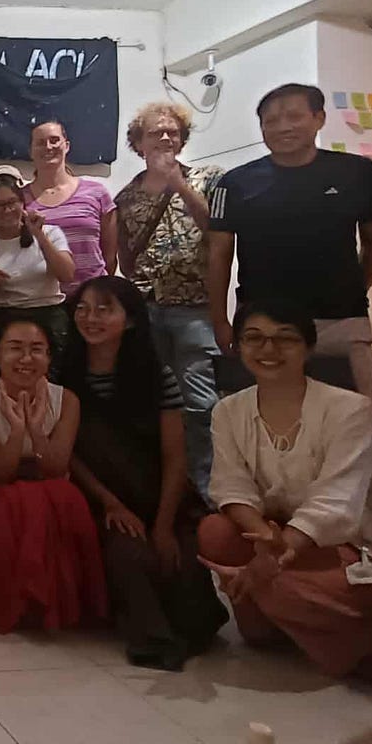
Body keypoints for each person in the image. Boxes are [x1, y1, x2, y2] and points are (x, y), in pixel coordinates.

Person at [199, 301, 372, 678]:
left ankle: (366, 639)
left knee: (271, 593)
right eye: (254, 338)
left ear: (308, 347)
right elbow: (231, 486)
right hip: (290, 544)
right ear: (239, 346)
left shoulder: (350, 410)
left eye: (285, 339)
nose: (268, 349)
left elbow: (336, 503)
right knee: (215, 532)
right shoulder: (228, 411)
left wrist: (278, 555)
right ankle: (322, 625)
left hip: (364, 549)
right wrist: (264, 539)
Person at [59, 277, 226, 670]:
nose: (91, 318)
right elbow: (70, 455)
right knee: (129, 550)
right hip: (100, 495)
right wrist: (111, 503)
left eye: (104, 309)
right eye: (83, 308)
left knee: (176, 560)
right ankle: (151, 640)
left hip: (158, 493)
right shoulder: (64, 375)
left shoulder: (157, 376)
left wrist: (165, 523)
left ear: (130, 320)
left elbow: (174, 456)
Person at [208, 84, 372, 399]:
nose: (283, 127)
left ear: (318, 118)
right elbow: (219, 255)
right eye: (271, 121)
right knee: (260, 423)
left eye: (294, 116)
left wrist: (354, 288)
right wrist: (220, 321)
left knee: (350, 423)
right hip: (262, 325)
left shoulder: (358, 172)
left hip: (340, 322)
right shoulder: (234, 183)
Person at [0, 314, 106, 634]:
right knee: (8, 503)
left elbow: (55, 468)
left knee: (62, 496)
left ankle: (61, 605)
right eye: (15, 348)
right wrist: (16, 430)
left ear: (49, 357)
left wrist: (37, 429)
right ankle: (20, 606)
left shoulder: (66, 400)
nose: (26, 359)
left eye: (37, 349)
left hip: (50, 484)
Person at [114, 101, 224, 501]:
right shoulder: (127, 196)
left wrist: (178, 184)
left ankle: (207, 489)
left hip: (194, 307)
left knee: (201, 402)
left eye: (172, 131)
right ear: (138, 143)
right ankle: (166, 484)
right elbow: (125, 256)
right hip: (145, 310)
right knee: (155, 400)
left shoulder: (209, 178)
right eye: (155, 132)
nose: (164, 137)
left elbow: (218, 229)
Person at [0, 172, 74, 353]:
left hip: (49, 317)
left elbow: (67, 275)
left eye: (13, 202)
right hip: (3, 318)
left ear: (23, 204)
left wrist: (39, 235)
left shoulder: (51, 233)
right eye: (0, 205)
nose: (8, 210)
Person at [25, 121, 117, 296]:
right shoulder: (20, 199)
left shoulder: (97, 193)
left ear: (66, 146)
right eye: (40, 142)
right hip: (43, 301)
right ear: (30, 151)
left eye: (54, 140)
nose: (48, 147)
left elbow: (110, 256)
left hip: (92, 299)